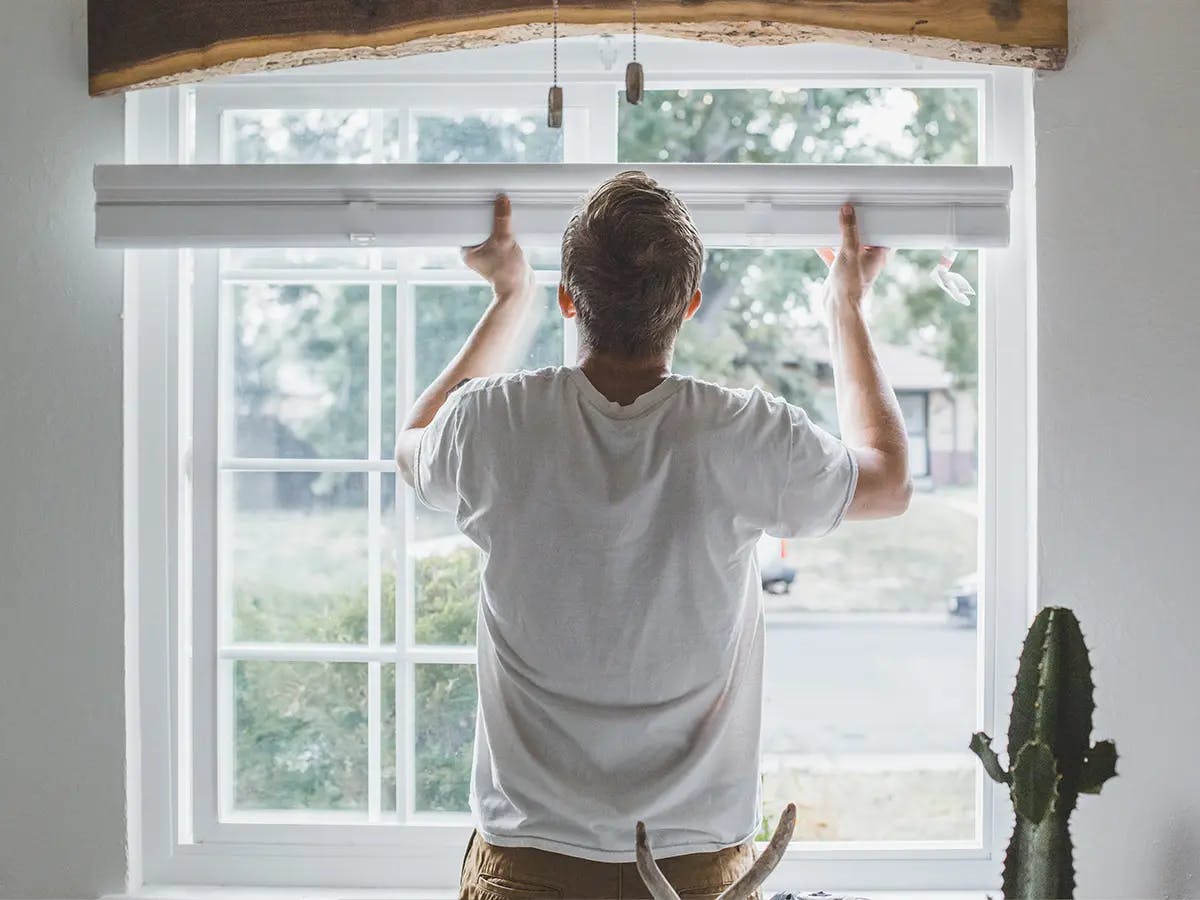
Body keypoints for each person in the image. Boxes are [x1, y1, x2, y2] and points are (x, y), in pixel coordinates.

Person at [395, 172, 912, 900]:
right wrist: (846, 306)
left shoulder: (494, 423)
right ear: (690, 306)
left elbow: (411, 442)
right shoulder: (741, 433)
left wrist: (512, 297)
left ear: (573, 301)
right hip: (691, 870)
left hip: (530, 862)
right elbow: (889, 481)